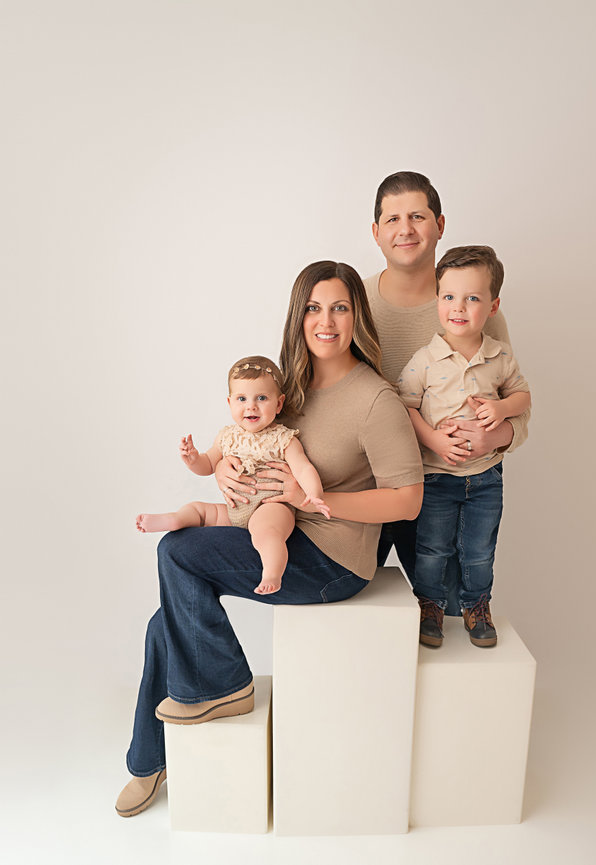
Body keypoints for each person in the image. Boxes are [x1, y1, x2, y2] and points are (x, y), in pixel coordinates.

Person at [116, 261, 423, 818]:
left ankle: (223, 687)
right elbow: (251, 437)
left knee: (177, 551)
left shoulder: (374, 399)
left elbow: (407, 500)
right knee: (168, 620)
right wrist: (223, 466)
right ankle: (148, 760)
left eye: (340, 307)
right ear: (297, 316)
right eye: (313, 308)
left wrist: (312, 500)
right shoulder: (289, 388)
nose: (326, 321)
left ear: (357, 316)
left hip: (332, 560)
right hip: (275, 530)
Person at [363, 171, 529, 614]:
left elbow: (515, 403)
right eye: (393, 219)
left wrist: (496, 437)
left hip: (450, 484)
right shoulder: (353, 303)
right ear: (376, 232)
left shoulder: (477, 308)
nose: (406, 229)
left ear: (439, 224)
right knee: (357, 617)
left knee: (450, 613)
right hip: (366, 487)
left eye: (417, 216)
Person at [398, 246, 531, 648]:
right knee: (432, 549)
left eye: (472, 298)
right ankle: (430, 606)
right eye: (449, 297)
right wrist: (433, 438)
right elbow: (404, 409)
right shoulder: (424, 360)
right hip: (437, 477)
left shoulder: (499, 356)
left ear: (493, 306)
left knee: (479, 550)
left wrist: (501, 409)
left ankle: (477, 606)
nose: (458, 307)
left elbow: (523, 397)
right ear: (437, 301)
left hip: (485, 477)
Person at [135, 355, 330, 595]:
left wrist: (314, 493)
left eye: (261, 398)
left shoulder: (283, 439)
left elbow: (303, 468)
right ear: (229, 403)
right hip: (235, 509)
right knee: (198, 510)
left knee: (266, 533)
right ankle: (175, 520)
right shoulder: (227, 436)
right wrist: (193, 459)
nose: (251, 406)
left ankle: (272, 572)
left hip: (271, 507)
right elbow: (208, 464)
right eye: (242, 399)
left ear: (279, 404)